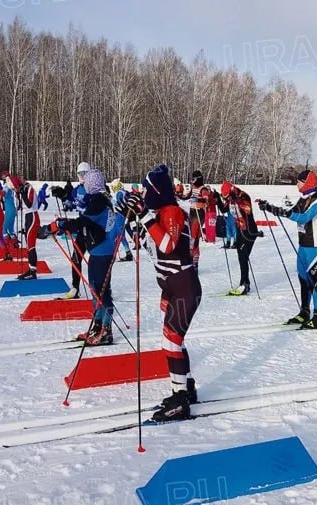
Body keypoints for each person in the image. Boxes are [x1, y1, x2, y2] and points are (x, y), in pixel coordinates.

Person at [118, 164, 201, 422]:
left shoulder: (173, 211)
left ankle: (179, 399)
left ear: (155, 189)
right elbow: (148, 245)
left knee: (171, 342)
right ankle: (186, 389)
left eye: (145, 189)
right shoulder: (158, 213)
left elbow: (168, 245)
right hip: (172, 286)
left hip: (184, 285)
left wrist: (143, 216)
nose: (143, 193)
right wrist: (132, 218)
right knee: (175, 340)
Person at [43, 169, 123, 345]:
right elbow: (82, 214)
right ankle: (98, 325)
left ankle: (106, 330)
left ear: (92, 184)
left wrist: (62, 225)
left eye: (87, 182)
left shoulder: (99, 201)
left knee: (101, 291)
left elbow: (83, 221)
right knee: (96, 289)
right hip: (99, 250)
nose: (84, 184)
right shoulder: (99, 199)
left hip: (102, 252)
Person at [258, 170, 317, 329]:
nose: (297, 184)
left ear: (308, 182)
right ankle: (304, 312)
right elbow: (292, 212)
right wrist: (270, 207)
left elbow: (303, 218)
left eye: (299, 181)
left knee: (314, 281)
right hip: (303, 246)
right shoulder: (303, 199)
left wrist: (284, 212)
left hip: (316, 247)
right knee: (303, 280)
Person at [219, 181, 258, 295]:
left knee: (243, 256)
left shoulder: (243, 195)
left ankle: (244, 284)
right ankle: (244, 283)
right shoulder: (231, 198)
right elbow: (223, 209)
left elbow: (248, 210)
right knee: (242, 257)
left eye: (228, 196)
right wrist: (217, 199)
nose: (227, 199)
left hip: (249, 231)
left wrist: (236, 200)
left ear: (232, 191)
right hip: (240, 231)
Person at [59, 162, 92, 298]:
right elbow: (71, 203)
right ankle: (75, 288)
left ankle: (103, 290)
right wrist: (63, 197)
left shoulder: (94, 189)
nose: (83, 176)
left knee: (96, 261)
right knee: (76, 258)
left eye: (85, 174)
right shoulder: (77, 189)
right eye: (80, 174)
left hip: (93, 230)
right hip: (81, 228)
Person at [7, 175, 40, 280]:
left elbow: (29, 204)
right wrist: (18, 194)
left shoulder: (29, 188)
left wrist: (22, 193)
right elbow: (19, 206)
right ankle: (31, 270)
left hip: (33, 216)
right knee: (28, 245)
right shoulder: (23, 189)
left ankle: (33, 271)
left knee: (31, 245)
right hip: (27, 217)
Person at [178, 170, 212, 268]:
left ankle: (195, 262)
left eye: (193, 179)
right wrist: (178, 195)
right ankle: (190, 258)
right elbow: (186, 196)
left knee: (194, 237)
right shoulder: (193, 188)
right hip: (192, 212)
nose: (192, 181)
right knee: (190, 236)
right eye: (191, 179)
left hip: (199, 213)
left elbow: (206, 200)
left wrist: (198, 199)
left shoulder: (203, 189)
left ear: (198, 179)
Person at [110, 178, 133, 261]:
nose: (112, 189)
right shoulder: (123, 192)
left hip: (120, 215)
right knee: (119, 234)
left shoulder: (119, 193)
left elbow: (119, 204)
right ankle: (127, 252)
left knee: (119, 234)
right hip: (120, 215)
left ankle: (121, 253)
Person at [1, 175, 18, 246]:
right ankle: (14, 243)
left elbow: (2, 194)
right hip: (12, 209)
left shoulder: (6, 187)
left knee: (4, 228)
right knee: (11, 228)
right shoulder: (11, 188)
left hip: (9, 210)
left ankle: (6, 245)